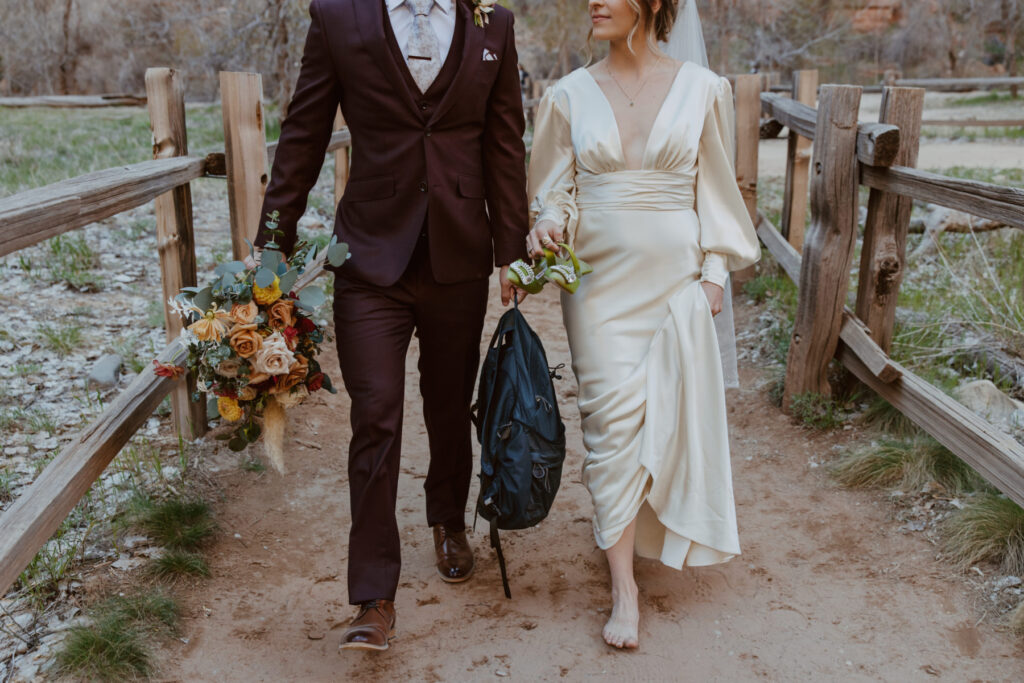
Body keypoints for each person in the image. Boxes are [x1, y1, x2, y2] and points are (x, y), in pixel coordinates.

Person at [251, 0, 529, 652]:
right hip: (369, 257)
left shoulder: (493, 23)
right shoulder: (338, 17)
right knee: (376, 412)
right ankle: (374, 595)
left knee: (446, 398)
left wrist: (509, 247)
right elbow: (304, 133)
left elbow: (503, 139)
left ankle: (447, 515)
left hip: (459, 254)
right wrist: (272, 243)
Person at [522, 0, 759, 650]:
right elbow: (553, 190)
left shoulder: (703, 90)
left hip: (675, 284)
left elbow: (715, 188)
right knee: (608, 422)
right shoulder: (566, 95)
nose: (594, 3)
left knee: (663, 414)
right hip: (597, 288)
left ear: (652, 3)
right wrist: (546, 223)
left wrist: (714, 273)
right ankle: (624, 586)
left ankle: (654, 524)